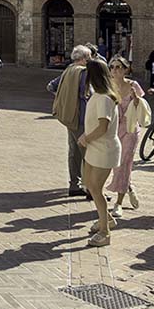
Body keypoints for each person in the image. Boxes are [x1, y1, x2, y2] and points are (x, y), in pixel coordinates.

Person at [78, 58, 122, 247]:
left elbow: (103, 127)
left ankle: (105, 232)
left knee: (96, 189)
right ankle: (107, 219)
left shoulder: (104, 98)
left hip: (104, 149)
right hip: (94, 148)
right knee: (88, 184)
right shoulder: (98, 95)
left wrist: (86, 138)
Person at [48, 44, 95, 200]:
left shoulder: (68, 70)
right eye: (88, 58)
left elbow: (51, 86)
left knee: (73, 152)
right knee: (88, 154)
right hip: (82, 118)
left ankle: (74, 185)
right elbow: (88, 95)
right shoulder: (82, 73)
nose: (90, 60)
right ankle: (90, 189)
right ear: (82, 59)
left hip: (69, 117)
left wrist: (65, 98)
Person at [105, 56, 147, 216]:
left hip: (130, 129)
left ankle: (118, 203)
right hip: (113, 129)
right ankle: (128, 186)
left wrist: (135, 99)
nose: (115, 70)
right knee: (116, 164)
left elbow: (141, 107)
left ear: (125, 69)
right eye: (113, 67)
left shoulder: (133, 85)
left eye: (118, 67)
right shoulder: (107, 86)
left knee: (125, 163)